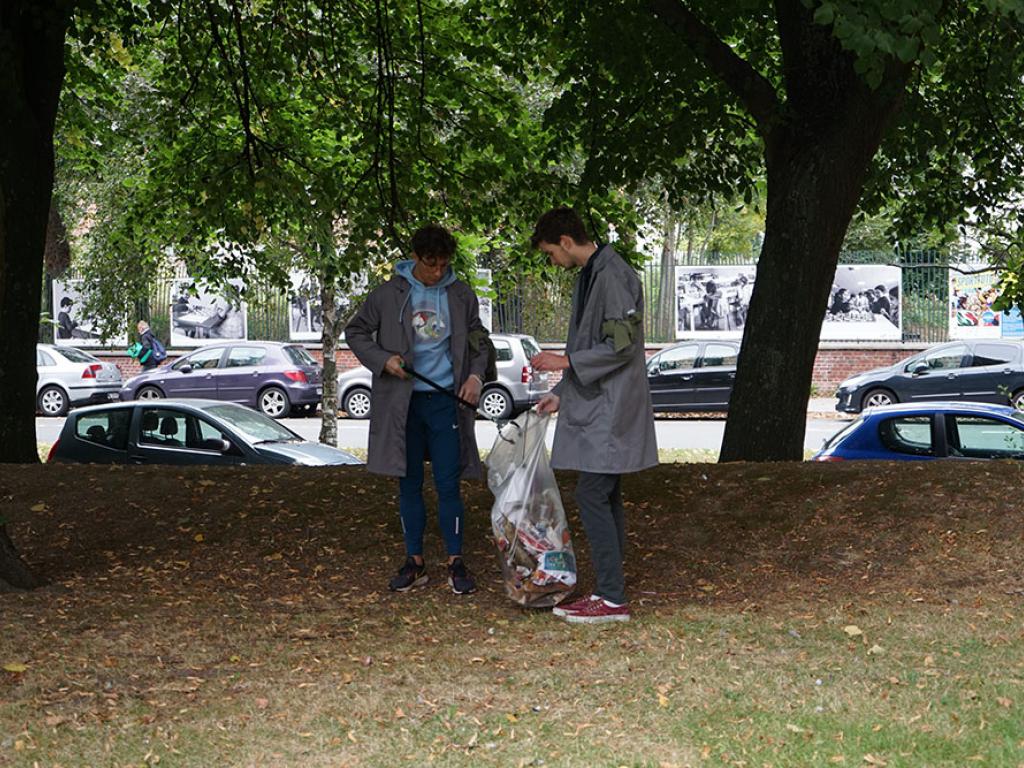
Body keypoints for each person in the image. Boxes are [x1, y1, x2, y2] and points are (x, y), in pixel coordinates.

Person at [345, 224, 492, 596]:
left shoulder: (461, 294)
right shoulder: (387, 295)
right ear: (415, 257)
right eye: (431, 264)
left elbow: (479, 340)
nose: (438, 271)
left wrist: (476, 376)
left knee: (449, 483)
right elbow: (356, 332)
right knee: (408, 482)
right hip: (402, 404)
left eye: (444, 264)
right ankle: (415, 562)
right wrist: (383, 360)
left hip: (445, 403)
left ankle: (456, 561)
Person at [529, 207, 658, 624]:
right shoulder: (594, 273)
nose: (553, 261)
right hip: (599, 403)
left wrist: (562, 362)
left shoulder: (612, 275)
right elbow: (594, 341)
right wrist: (562, 395)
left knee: (591, 493)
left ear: (566, 241)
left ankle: (612, 597)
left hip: (612, 406)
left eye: (551, 252)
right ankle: (610, 586)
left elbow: (620, 347)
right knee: (604, 494)